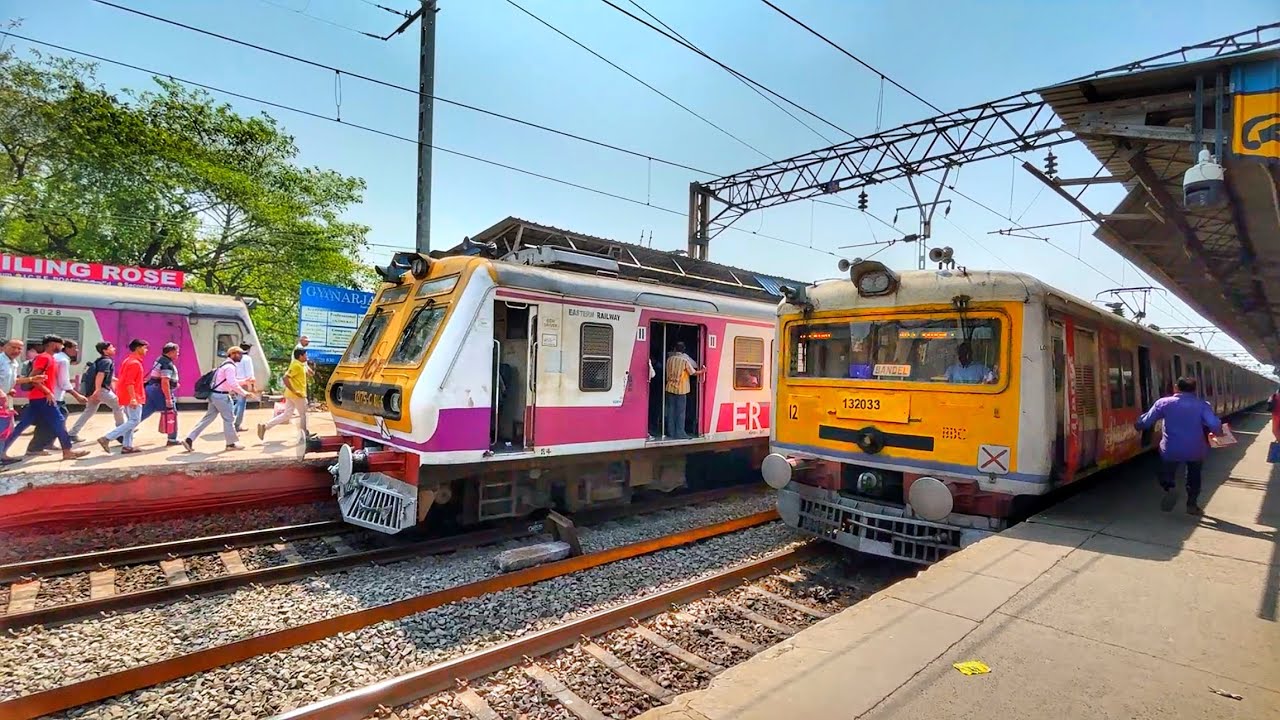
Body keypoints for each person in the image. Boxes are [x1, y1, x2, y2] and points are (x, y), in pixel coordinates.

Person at [1135, 376, 1222, 516]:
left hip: (1171, 448)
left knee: (1164, 472)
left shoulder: (1163, 403)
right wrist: (1218, 432)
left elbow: (1145, 422)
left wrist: (1138, 424)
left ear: (1176, 387)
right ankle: (1192, 505)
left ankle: (1169, 487)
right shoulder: (1203, 405)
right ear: (1194, 390)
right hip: (1196, 448)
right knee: (1194, 475)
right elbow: (1214, 425)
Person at [2, 335, 89, 462]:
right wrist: (48, 392)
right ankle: (67, 451)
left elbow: (32, 379)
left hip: (38, 398)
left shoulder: (50, 359)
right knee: (59, 420)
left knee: (21, 425)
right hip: (42, 397)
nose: (62, 347)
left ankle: (3, 451)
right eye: (60, 345)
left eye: (19, 348)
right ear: (53, 345)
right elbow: (35, 377)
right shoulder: (44, 358)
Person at [184, 345, 249, 452]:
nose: (241, 356)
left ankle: (189, 439)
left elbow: (229, 381)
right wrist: (244, 393)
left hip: (214, 395)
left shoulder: (224, 365)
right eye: (239, 353)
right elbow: (232, 383)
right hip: (222, 396)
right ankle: (231, 444)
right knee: (229, 419)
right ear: (232, 354)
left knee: (207, 419)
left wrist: (245, 381)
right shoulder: (230, 367)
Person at [97, 339, 149, 454]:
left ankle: (127, 446)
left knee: (131, 421)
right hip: (133, 396)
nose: (146, 350)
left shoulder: (128, 361)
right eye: (145, 348)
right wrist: (133, 398)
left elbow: (126, 380)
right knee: (134, 421)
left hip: (127, 395)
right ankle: (107, 438)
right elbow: (129, 382)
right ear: (138, 348)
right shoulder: (134, 363)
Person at [0, 338, 46, 465]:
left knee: (6, 429)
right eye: (13, 347)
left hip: (5, 400)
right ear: (5, 347)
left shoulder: (13, 363)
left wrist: (32, 379)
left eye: (19, 348)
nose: (16, 350)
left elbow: (14, 380)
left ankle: (2, 456)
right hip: (1, 399)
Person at [69, 342, 125, 440]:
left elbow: (108, 377)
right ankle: (121, 432)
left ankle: (72, 433)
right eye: (111, 347)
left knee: (89, 411)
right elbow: (100, 375)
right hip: (100, 390)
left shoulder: (101, 360)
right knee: (118, 405)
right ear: (105, 350)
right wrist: (98, 390)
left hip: (93, 390)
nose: (114, 349)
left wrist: (120, 382)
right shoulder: (107, 361)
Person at [258, 346, 309, 442]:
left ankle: (265, 426)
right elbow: (285, 378)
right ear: (300, 356)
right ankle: (304, 435)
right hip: (297, 395)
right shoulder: (296, 365)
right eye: (305, 355)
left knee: (287, 415)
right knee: (303, 415)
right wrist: (295, 390)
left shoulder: (298, 364)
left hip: (291, 395)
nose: (307, 356)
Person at [140, 342, 181, 446]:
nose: (178, 354)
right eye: (177, 352)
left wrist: (174, 383)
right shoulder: (167, 363)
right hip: (159, 391)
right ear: (171, 352)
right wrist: (168, 399)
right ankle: (172, 439)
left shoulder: (160, 359)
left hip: (152, 389)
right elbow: (164, 381)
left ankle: (122, 432)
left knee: (145, 412)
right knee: (172, 413)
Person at [663, 342, 705, 440]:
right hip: (681, 389)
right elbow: (693, 372)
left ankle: (671, 432)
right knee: (680, 412)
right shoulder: (684, 360)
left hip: (669, 387)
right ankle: (680, 433)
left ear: (675, 349)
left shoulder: (669, 359)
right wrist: (703, 371)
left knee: (671, 411)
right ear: (684, 349)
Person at [232, 342, 256, 432]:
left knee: (237, 402)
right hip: (244, 383)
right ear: (248, 349)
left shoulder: (235, 358)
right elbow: (250, 374)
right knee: (241, 404)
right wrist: (253, 386)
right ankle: (237, 425)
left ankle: (230, 419)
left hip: (234, 382)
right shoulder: (247, 359)